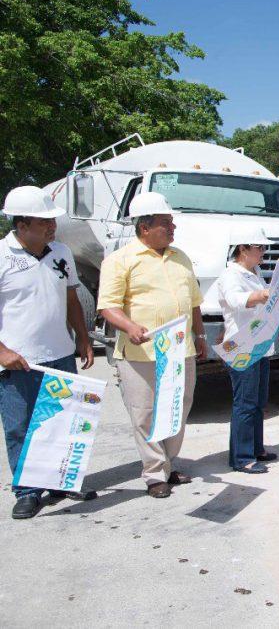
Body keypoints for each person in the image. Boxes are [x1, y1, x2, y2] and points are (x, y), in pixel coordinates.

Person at [98, 192, 208, 499]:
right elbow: (107, 307)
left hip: (180, 350)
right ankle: (154, 473)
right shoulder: (120, 261)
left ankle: (169, 464)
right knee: (145, 412)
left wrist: (200, 337)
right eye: (165, 223)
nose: (173, 228)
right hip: (141, 354)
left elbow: (194, 304)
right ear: (144, 227)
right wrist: (130, 326)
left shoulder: (181, 257)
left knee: (177, 409)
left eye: (172, 222)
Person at [0, 186, 95, 519]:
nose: (52, 227)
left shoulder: (61, 253)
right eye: (44, 222)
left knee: (62, 422)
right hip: (18, 361)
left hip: (60, 354)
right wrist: (2, 352)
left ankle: (59, 481)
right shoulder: (1, 256)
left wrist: (82, 338)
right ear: (22, 225)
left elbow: (71, 299)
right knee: (21, 427)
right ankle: (27, 490)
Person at [215, 225, 275, 474]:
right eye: (259, 247)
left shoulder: (254, 272)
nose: (263, 252)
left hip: (258, 344)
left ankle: (256, 448)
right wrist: (260, 296)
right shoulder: (232, 275)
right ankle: (242, 457)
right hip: (242, 347)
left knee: (258, 401)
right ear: (242, 249)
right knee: (245, 402)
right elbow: (235, 300)